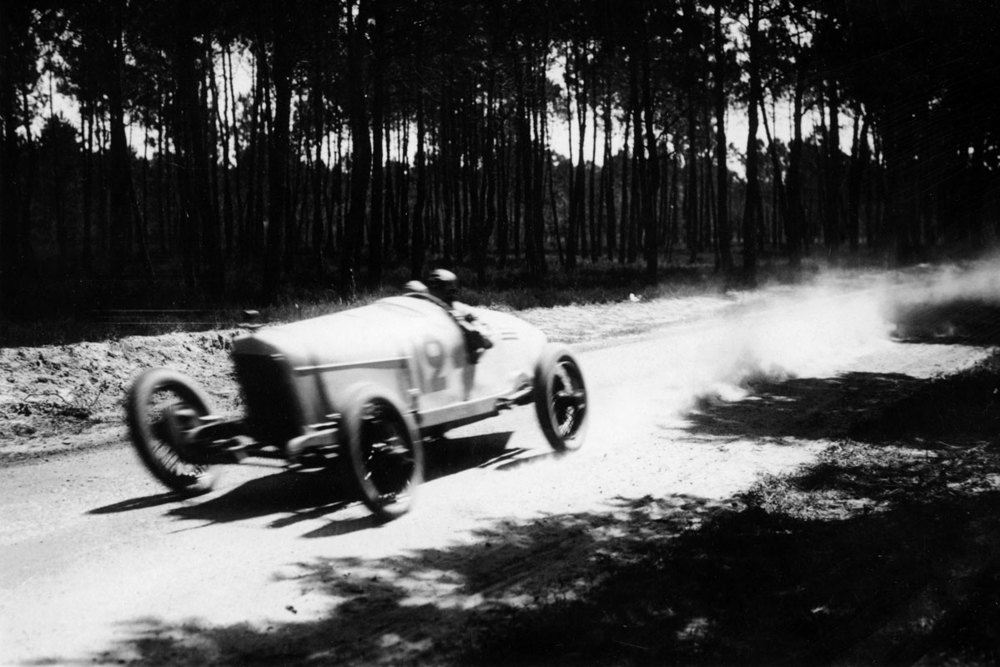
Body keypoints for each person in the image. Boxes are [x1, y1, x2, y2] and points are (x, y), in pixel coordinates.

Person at [423, 269, 493, 363]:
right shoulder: (423, 306)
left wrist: (467, 326)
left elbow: (486, 341)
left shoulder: (461, 310)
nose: (434, 290)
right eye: (433, 286)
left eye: (439, 286)